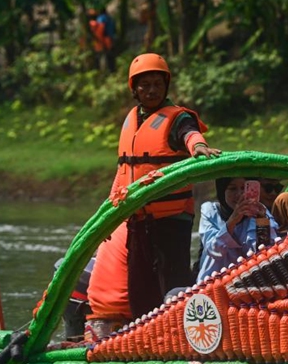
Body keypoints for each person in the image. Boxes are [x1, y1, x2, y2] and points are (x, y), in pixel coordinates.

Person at [92, 53, 220, 321]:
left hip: (171, 222)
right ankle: (144, 346)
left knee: (171, 289)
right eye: (145, 85)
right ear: (134, 89)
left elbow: (190, 134)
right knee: (140, 290)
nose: (152, 90)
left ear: (166, 86)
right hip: (137, 221)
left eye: (157, 84)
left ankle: (175, 344)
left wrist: (198, 147)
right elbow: (123, 173)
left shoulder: (178, 118)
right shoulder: (132, 120)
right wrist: (106, 219)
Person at [196, 177, 278, 282]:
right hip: (212, 283)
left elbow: (264, 253)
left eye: (244, 188)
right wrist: (233, 220)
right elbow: (214, 250)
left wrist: (261, 223)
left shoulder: (259, 211)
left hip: (247, 283)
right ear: (222, 191)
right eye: (232, 189)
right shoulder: (210, 211)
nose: (239, 194)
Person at [96, 8, 116, 72]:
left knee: (104, 56)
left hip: (105, 39)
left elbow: (101, 28)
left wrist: (99, 40)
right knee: (111, 56)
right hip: (111, 38)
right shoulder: (109, 18)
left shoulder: (101, 18)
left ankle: (105, 72)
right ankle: (112, 71)